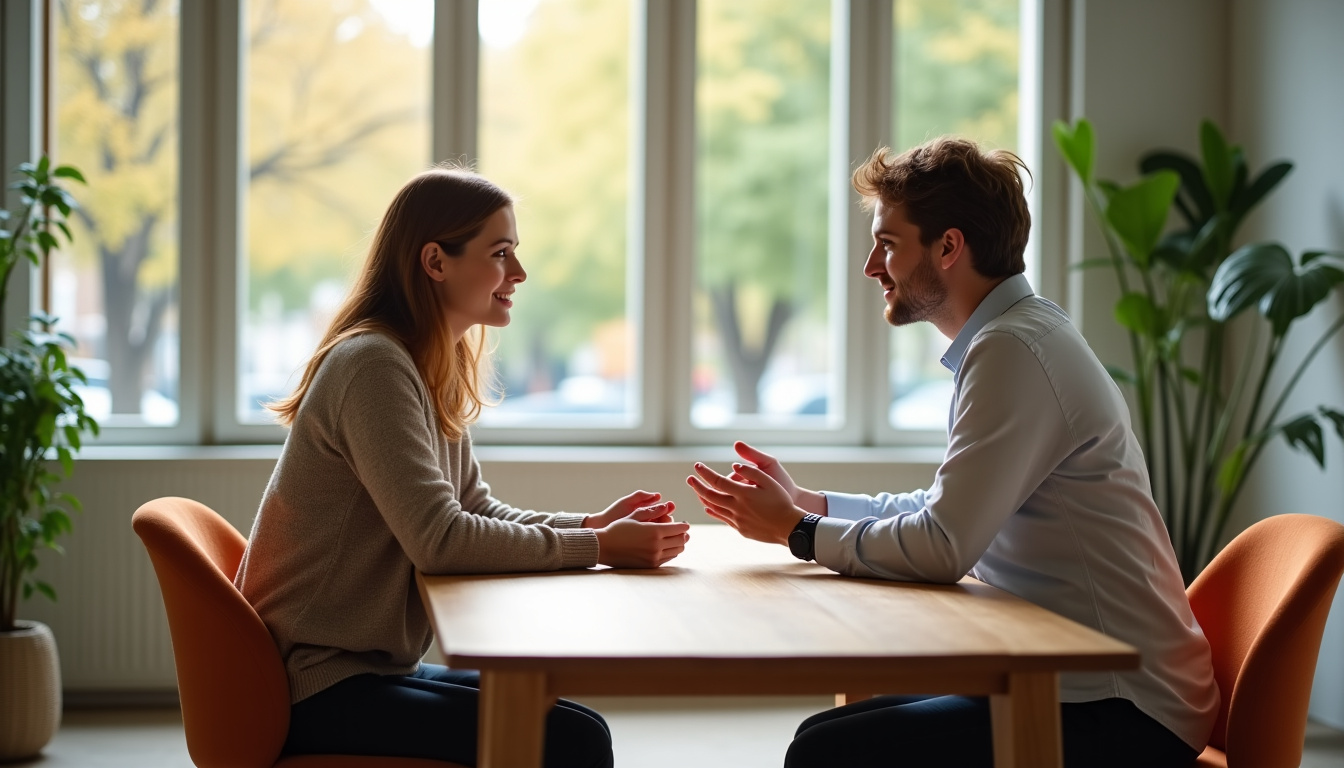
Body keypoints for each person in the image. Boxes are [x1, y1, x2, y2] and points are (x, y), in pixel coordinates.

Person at [686, 137, 1217, 768]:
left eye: (887, 244)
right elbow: (948, 511)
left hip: (1124, 705)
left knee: (828, 753)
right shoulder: (1016, 334)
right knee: (821, 739)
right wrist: (812, 503)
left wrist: (800, 531)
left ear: (948, 247)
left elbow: (943, 546)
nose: (869, 267)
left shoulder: (1013, 350)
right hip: (1083, 680)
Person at [235, 165, 690, 768]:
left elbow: (472, 509)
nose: (519, 274)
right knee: (572, 742)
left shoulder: (423, 362)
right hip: (317, 686)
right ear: (435, 262)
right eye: (501, 254)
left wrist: (588, 523)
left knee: (577, 726)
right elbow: (440, 542)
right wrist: (599, 545)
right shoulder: (372, 365)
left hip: (362, 668)